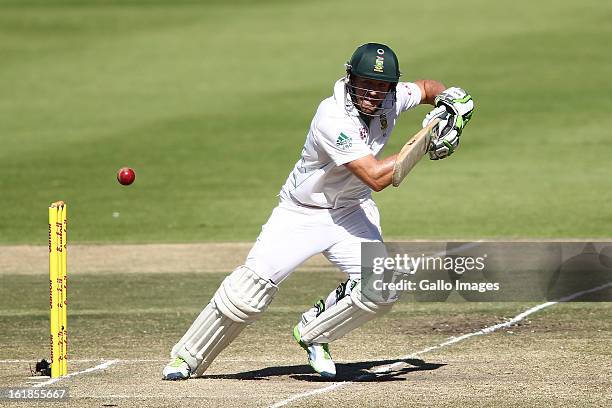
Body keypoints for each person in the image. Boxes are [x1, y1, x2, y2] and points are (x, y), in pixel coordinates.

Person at [162, 42, 474, 380]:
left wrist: (449, 102)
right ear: (350, 78)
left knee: (382, 287)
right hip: (302, 214)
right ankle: (187, 358)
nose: (372, 92)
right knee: (246, 294)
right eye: (365, 83)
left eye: (381, 85)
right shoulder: (333, 116)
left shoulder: (392, 97)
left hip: (351, 213)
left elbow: (428, 89)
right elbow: (377, 176)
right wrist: (428, 137)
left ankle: (314, 334)